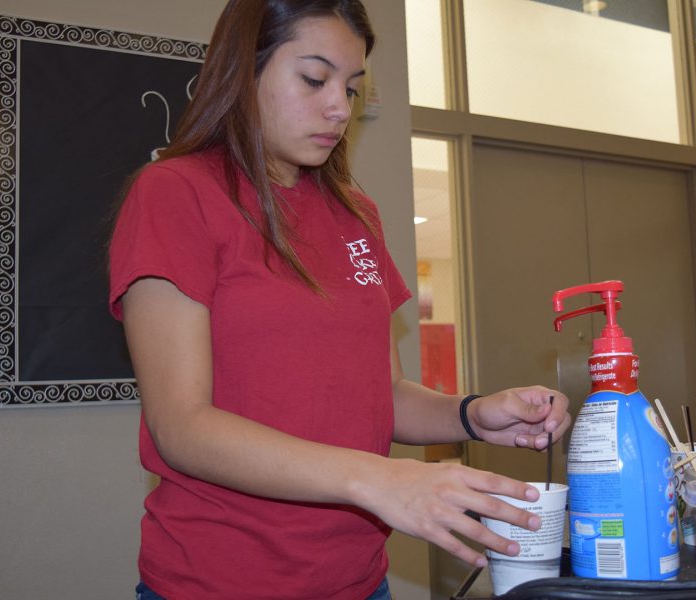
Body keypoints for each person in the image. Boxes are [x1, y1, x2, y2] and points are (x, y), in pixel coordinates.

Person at [108, 1, 571, 598]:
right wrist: (378, 479)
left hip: (357, 581)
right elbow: (183, 427)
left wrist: (470, 414)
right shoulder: (175, 193)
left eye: (351, 88)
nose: (339, 108)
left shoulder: (356, 214)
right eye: (313, 78)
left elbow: (386, 394)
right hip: (218, 582)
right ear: (241, 73)